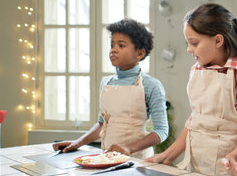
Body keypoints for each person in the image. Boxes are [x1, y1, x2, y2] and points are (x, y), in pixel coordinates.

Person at [146, 3, 237, 176]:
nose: (189, 49)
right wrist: (167, 156)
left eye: (194, 43)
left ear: (218, 40)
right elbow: (195, 121)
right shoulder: (196, 69)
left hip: (226, 171)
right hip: (194, 167)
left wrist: (232, 157)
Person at [52, 18, 169, 159]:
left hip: (137, 160)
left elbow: (161, 131)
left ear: (140, 53)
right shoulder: (106, 82)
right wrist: (77, 143)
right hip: (107, 157)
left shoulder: (151, 85)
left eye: (121, 45)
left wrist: (128, 148)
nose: (113, 49)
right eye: (112, 44)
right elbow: (101, 125)